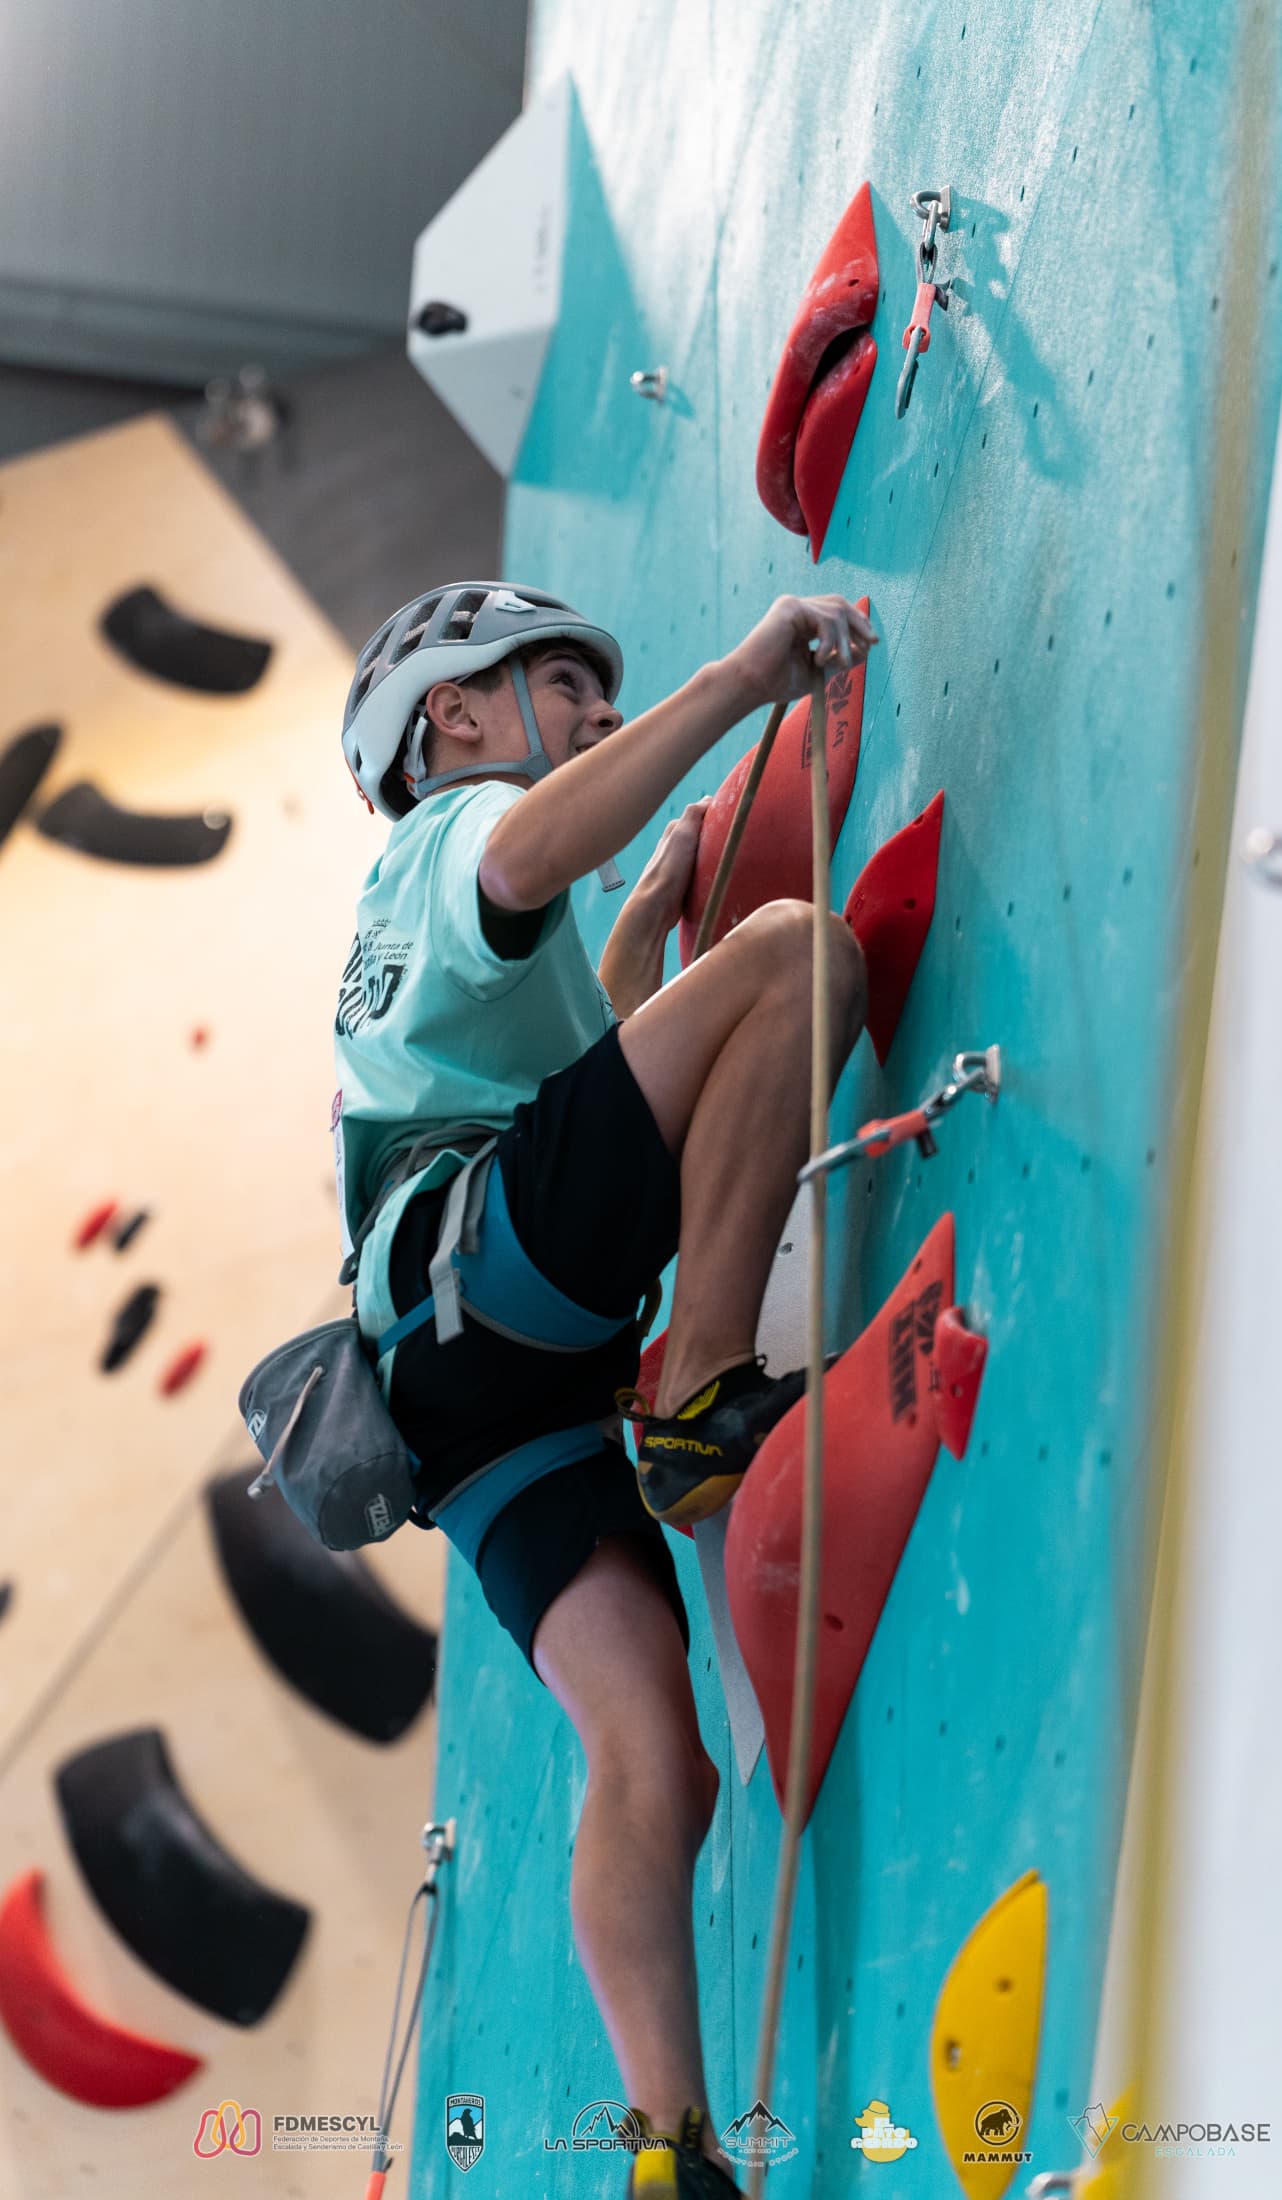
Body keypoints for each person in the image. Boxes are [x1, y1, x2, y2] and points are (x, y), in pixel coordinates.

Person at [335, 582, 875, 2197]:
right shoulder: (452, 835)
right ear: (454, 716)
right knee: (799, 956)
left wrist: (643, 929)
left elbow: (591, 1072)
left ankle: (667, 2143)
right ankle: (702, 1383)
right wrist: (733, 683)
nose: (586, 712)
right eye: (561, 684)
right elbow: (523, 858)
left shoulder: (414, 952)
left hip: (466, 1392)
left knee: (657, 1757)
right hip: (488, 1284)